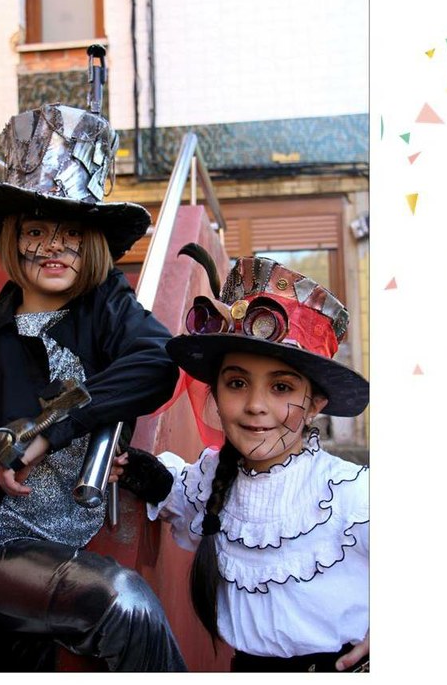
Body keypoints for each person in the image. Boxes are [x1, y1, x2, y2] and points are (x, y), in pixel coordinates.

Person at [0, 103, 185, 672]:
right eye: (37, 231)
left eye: (72, 233)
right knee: (125, 604)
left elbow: (158, 363)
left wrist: (51, 432)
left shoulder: (107, 309)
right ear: (14, 240)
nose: (53, 247)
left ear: (93, 243)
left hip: (69, 546)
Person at [115, 253, 370, 672]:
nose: (255, 406)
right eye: (236, 383)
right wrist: (135, 470)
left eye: (281, 387)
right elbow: (181, 495)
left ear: (315, 405)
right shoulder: (211, 479)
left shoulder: (353, 495)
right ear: (214, 393)